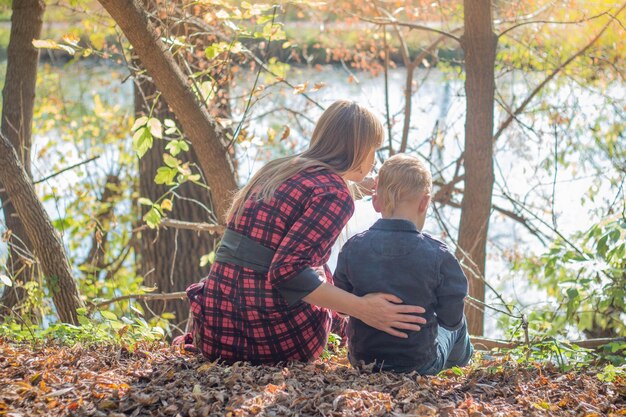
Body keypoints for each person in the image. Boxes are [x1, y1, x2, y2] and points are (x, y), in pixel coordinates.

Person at [180, 100, 426, 364]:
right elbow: (287, 272)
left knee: (316, 268)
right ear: (358, 149)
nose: (375, 158)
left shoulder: (278, 170)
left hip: (215, 332)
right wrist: (363, 309)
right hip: (272, 340)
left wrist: (377, 186)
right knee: (322, 272)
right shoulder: (333, 194)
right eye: (373, 149)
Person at [334, 154, 473, 374]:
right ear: (425, 202)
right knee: (460, 324)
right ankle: (462, 363)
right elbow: (451, 320)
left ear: (376, 201)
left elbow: (341, 306)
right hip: (420, 364)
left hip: (362, 359)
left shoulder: (353, 248)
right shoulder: (438, 255)